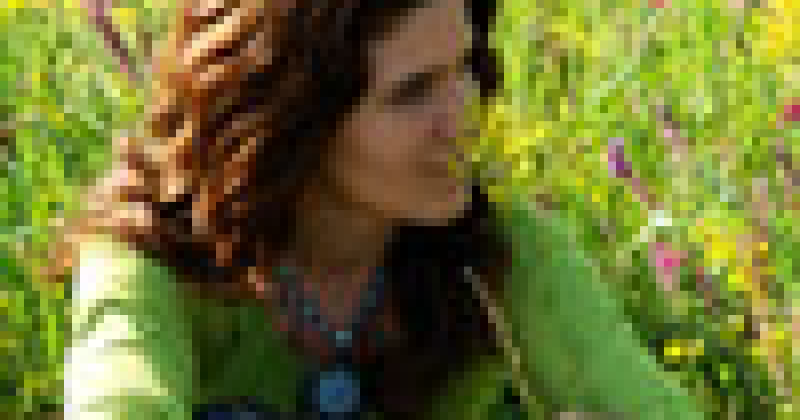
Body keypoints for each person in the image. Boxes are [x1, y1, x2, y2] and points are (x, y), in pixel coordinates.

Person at [57, 0, 709, 418]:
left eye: (464, 67)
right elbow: (118, 402)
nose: (463, 117)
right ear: (291, 115)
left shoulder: (502, 251)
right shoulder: (153, 255)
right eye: (413, 90)